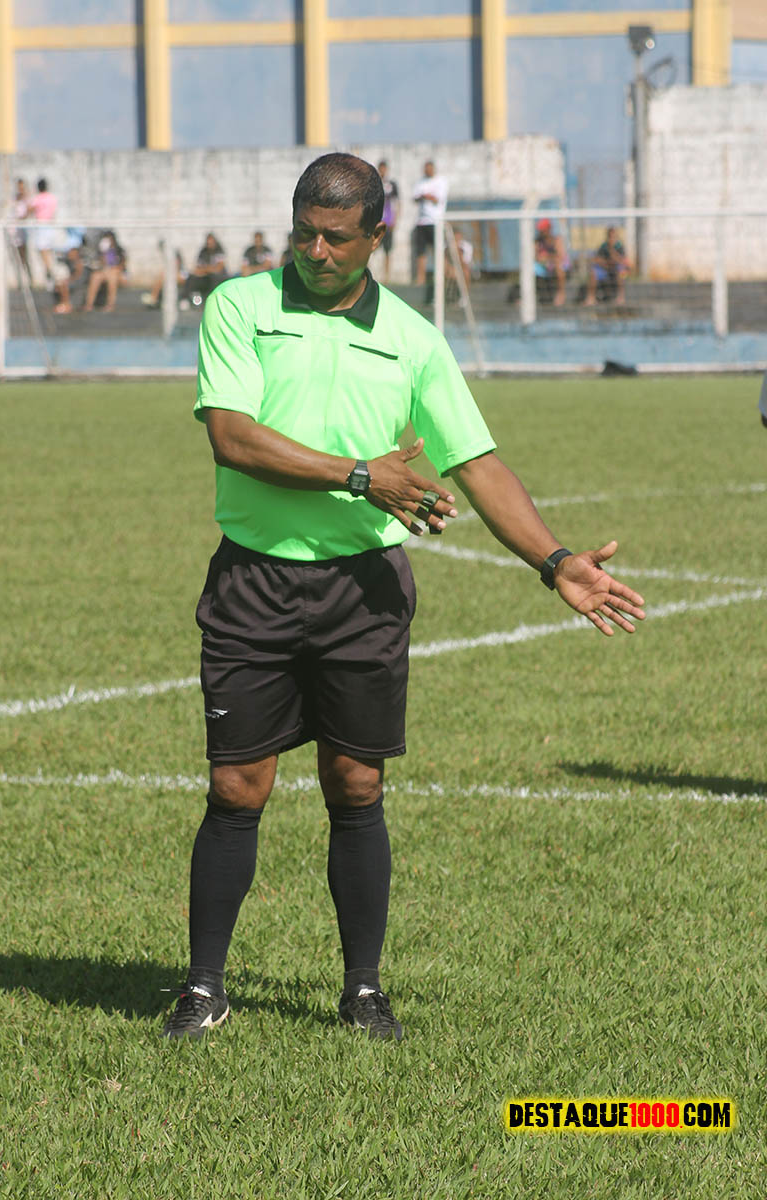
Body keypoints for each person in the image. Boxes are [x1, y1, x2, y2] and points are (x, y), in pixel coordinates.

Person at [162, 152, 646, 1044]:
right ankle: (203, 988)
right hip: (254, 581)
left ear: (376, 237)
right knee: (236, 785)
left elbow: (477, 463)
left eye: (336, 238)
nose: (316, 251)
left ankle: (363, 990)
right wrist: (360, 475)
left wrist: (554, 561)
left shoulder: (413, 338)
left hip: (365, 590)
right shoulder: (240, 306)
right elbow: (233, 437)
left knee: (356, 782)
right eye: (304, 233)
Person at [412, 160, 448, 286]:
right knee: (421, 252)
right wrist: (423, 196)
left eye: (429, 168)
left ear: (433, 169)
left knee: (439, 251)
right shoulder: (420, 182)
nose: (427, 171)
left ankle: (444, 277)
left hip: (435, 221)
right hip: (422, 222)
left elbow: (438, 199)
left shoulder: (441, 181)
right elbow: (415, 197)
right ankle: (420, 279)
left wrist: (426, 196)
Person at [583, 226, 631, 306]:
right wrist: (605, 263)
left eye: (613, 236)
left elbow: (621, 260)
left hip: (616, 269)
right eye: (610, 236)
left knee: (621, 272)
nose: (611, 238)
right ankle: (591, 297)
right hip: (605, 268)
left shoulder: (619, 246)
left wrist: (611, 251)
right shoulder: (603, 246)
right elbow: (597, 259)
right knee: (593, 273)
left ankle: (621, 297)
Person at [82, 229, 126, 313]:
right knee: (95, 277)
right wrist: (104, 253)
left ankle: (110, 305)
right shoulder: (101, 251)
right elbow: (101, 264)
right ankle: (89, 304)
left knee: (112, 277)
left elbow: (122, 266)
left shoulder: (119, 250)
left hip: (117, 273)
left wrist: (111, 269)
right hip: (105, 271)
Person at [180, 232, 227, 308]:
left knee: (213, 278)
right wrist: (209, 269)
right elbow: (197, 269)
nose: (210, 244)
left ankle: (213, 301)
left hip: (217, 278)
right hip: (205, 277)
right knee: (191, 278)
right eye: (208, 243)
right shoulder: (203, 252)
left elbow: (218, 268)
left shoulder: (219, 251)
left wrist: (206, 269)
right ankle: (186, 300)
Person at [27, 177, 58, 286]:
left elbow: (29, 210)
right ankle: (49, 270)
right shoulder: (52, 197)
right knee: (47, 251)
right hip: (50, 226)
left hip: (41, 226)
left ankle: (49, 270)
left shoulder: (38, 198)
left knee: (43, 250)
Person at [534, 218, 570, 307]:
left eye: (543, 230)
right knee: (530, 268)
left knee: (558, 266)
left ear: (549, 229)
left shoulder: (557, 240)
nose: (542, 232)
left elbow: (560, 256)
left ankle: (561, 293)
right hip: (543, 265)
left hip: (556, 264)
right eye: (541, 230)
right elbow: (536, 257)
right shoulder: (537, 242)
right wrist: (545, 258)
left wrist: (548, 257)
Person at [377, 160, 399, 280]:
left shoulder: (392, 185)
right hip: (377, 222)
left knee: (387, 251)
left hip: (388, 222)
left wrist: (395, 219)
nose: (382, 171)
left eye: (384, 168)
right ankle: (371, 275)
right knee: (372, 249)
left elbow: (397, 203)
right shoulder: (375, 184)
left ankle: (386, 276)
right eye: (380, 168)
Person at [11, 179, 31, 283]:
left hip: (24, 230)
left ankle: (29, 278)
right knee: (17, 256)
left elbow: (28, 211)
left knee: (24, 255)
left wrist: (22, 219)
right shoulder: (15, 198)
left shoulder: (27, 198)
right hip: (16, 230)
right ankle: (21, 279)